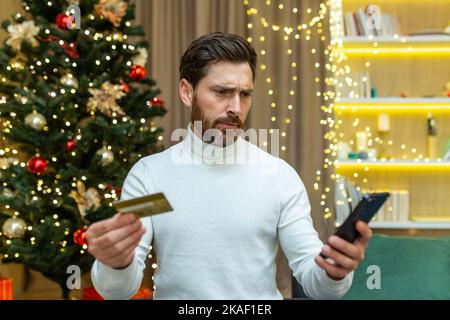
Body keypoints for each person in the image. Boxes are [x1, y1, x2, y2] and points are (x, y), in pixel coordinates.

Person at [87, 32, 372, 300]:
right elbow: (119, 291)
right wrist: (116, 264)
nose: (235, 107)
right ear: (187, 92)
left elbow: (315, 282)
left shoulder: (277, 176)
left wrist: (334, 272)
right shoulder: (151, 177)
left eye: (245, 94)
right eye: (222, 92)